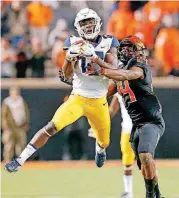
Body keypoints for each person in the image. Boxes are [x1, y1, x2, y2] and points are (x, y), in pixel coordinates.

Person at [5, 8, 119, 172]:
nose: (87, 26)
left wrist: (94, 57)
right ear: (78, 27)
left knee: (104, 141)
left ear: (98, 23)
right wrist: (69, 58)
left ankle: (100, 150)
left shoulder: (109, 42)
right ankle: (20, 161)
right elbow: (65, 76)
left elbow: (114, 70)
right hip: (78, 98)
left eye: (90, 22)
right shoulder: (72, 42)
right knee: (51, 126)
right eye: (84, 23)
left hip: (99, 101)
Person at [82, 35, 165, 198]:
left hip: (151, 120)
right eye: (133, 51)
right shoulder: (120, 74)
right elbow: (103, 93)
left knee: (145, 156)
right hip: (136, 125)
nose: (138, 54)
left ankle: (149, 195)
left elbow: (127, 75)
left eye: (136, 51)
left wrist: (102, 68)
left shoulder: (140, 67)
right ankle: (158, 194)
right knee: (145, 165)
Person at [88, 93, 135, 198]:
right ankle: (128, 192)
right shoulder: (118, 86)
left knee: (146, 159)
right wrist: (97, 126)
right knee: (127, 161)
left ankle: (153, 190)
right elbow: (111, 110)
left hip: (143, 126)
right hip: (128, 128)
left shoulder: (139, 81)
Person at [2, 87, 30, 163]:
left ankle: (20, 160)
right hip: (10, 127)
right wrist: (5, 126)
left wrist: (26, 123)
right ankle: (7, 160)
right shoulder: (7, 102)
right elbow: (3, 116)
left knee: (21, 144)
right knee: (9, 144)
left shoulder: (21, 100)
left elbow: (26, 112)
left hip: (20, 126)